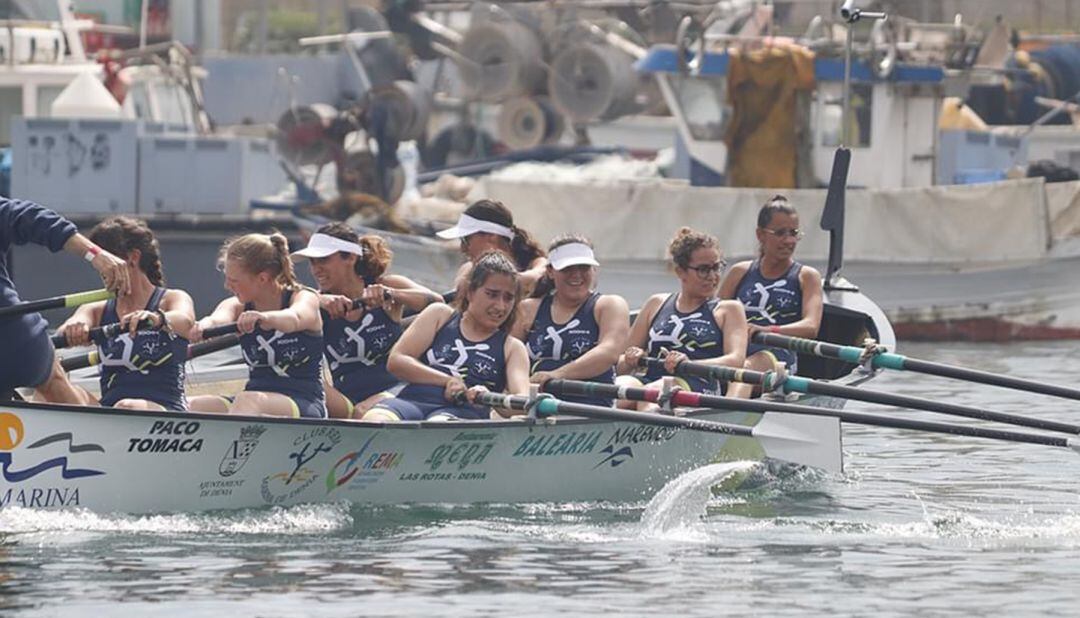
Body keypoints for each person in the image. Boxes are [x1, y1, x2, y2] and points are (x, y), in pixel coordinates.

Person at [290, 222, 442, 419]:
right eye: (313, 262)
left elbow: (437, 303)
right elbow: (285, 304)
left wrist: (390, 294)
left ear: (351, 257)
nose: (316, 269)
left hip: (398, 389)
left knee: (363, 412)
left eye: (324, 260)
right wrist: (318, 299)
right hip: (348, 402)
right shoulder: (311, 302)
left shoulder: (387, 284)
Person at [366, 251, 530, 421]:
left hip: (464, 413)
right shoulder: (439, 314)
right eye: (492, 294)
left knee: (437, 425)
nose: (501, 306)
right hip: (412, 401)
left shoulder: (512, 348)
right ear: (470, 292)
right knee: (374, 418)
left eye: (508, 298)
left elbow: (523, 402)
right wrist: (447, 381)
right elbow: (397, 361)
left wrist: (490, 398)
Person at [56, 217, 195, 410]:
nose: (100, 269)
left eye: (104, 261)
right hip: (111, 412)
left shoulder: (172, 299)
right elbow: (70, 325)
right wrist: (74, 328)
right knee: (50, 385)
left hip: (166, 411)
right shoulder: (96, 310)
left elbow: (185, 321)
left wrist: (156, 318)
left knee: (127, 406)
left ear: (132, 257)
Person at [0, 198, 130, 403]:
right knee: (53, 380)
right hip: (14, 339)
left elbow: (29, 218)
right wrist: (96, 255)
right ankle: (89, 426)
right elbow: (33, 219)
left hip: (11, 338)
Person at [188, 233, 326, 418]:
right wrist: (200, 327)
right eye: (227, 278)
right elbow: (216, 319)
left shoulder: (302, 298)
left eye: (234, 280)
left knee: (248, 400)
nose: (228, 286)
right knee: (191, 404)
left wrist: (264, 318)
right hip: (255, 399)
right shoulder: (237, 307)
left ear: (262, 278)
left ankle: (232, 445)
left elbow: (295, 318)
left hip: (304, 401)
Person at [615, 227, 748, 407]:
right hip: (650, 382)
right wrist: (631, 359)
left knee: (655, 393)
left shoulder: (728, 309)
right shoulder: (656, 303)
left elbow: (735, 360)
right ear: (680, 272)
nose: (712, 276)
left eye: (716, 268)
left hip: (699, 386)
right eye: (703, 269)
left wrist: (689, 363)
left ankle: (650, 431)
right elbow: (620, 363)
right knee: (618, 388)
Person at [720, 195, 823, 398]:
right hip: (735, 353)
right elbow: (716, 316)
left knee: (745, 370)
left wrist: (768, 330)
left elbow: (811, 327)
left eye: (793, 233)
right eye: (780, 233)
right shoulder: (739, 272)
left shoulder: (806, 276)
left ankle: (724, 423)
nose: (789, 240)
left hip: (777, 358)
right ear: (760, 235)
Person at [512, 235, 629, 407]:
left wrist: (557, 374)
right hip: (535, 407)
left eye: (583, 268)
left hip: (591, 407)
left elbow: (609, 352)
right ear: (550, 272)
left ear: (593, 271)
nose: (576, 275)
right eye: (567, 268)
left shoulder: (609, 305)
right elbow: (507, 356)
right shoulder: (527, 309)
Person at [437, 199, 548, 296]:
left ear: (492, 237)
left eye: (465, 240)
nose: (463, 249)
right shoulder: (469, 269)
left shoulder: (538, 263)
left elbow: (537, 276)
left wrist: (491, 281)